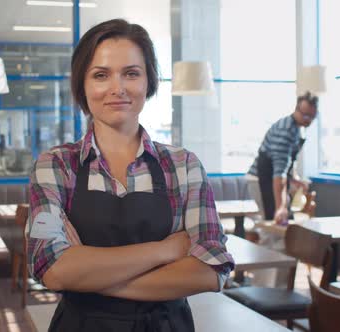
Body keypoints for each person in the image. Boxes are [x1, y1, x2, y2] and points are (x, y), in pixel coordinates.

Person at [27, 19, 234, 331]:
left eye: (131, 73)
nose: (117, 88)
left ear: (148, 81)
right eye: (101, 75)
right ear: (82, 84)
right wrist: (164, 251)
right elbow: (51, 269)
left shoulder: (183, 166)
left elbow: (210, 270)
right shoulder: (56, 166)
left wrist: (85, 275)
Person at [247, 92, 318, 225]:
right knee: (273, 224)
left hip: (274, 179)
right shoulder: (285, 131)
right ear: (296, 109)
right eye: (305, 115)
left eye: (312, 117)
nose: (308, 119)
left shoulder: (298, 129)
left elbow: (286, 165)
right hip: (262, 179)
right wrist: (280, 207)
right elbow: (279, 173)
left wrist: (294, 180)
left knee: (285, 226)